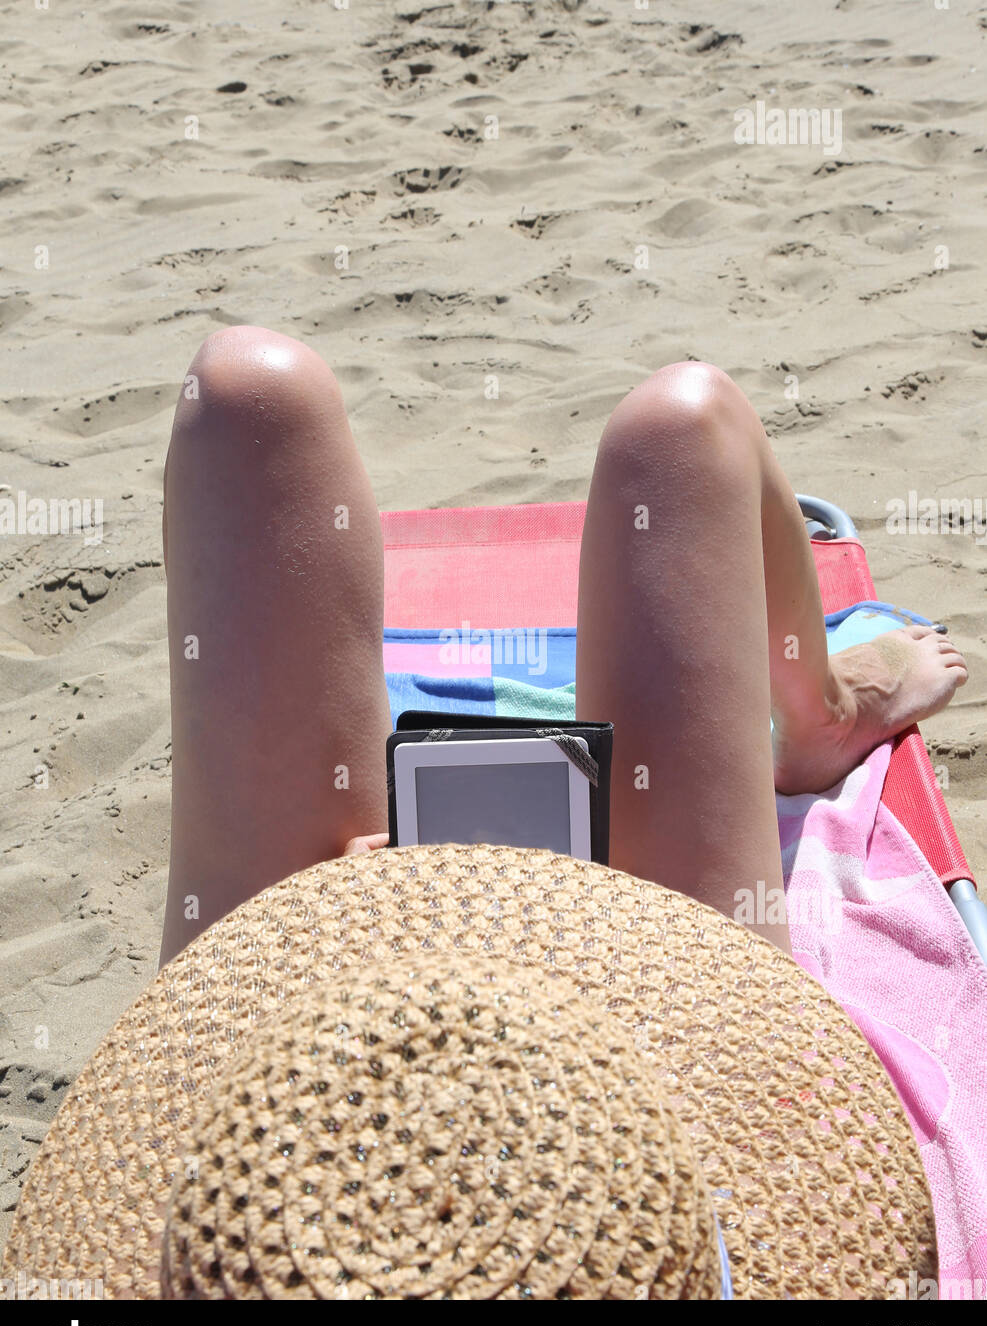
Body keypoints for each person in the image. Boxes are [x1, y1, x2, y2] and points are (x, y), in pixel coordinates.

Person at [159, 326, 967, 966]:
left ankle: (817, 714)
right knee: (682, 426)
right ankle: (819, 714)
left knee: (244, 389)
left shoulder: (209, 1156)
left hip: (286, 1108)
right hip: (658, 1097)